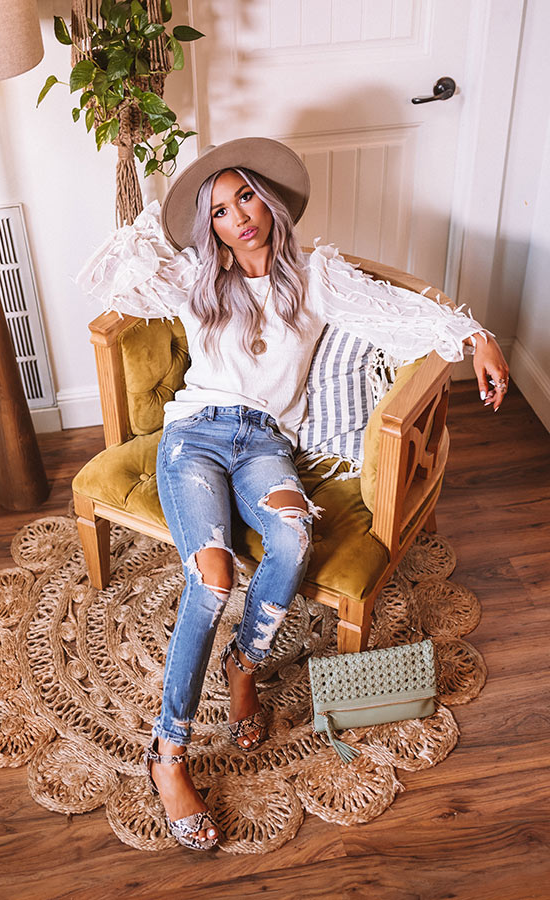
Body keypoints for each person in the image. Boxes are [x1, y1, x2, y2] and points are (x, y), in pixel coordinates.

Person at [77, 137, 509, 851]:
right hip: (194, 439)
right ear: (209, 227)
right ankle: (168, 755)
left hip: (265, 445)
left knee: (293, 536)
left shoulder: (318, 278)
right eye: (218, 210)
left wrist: (477, 335)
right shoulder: (195, 278)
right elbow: (112, 275)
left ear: (269, 201)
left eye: (245, 196)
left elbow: (401, 312)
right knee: (211, 582)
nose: (238, 217)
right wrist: (153, 205)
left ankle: (243, 665)